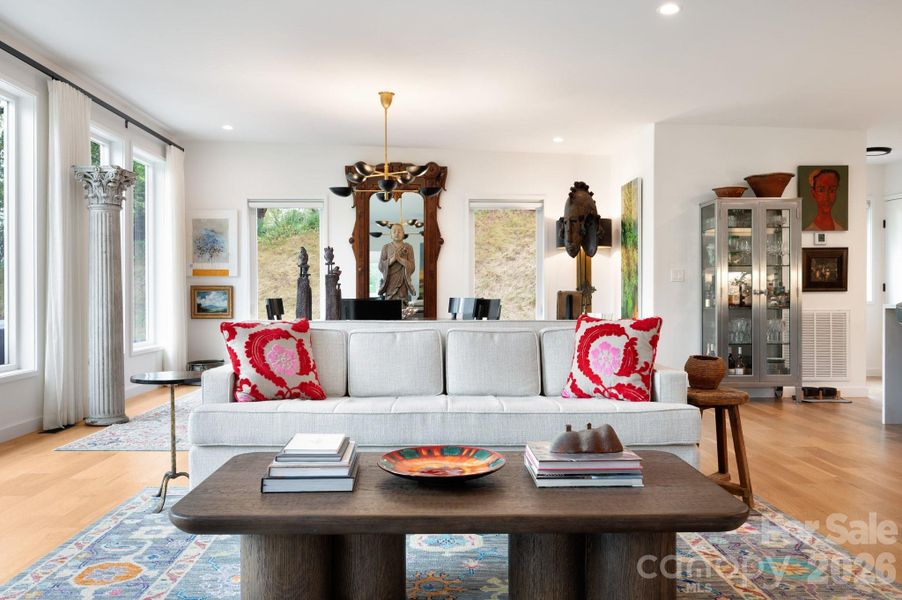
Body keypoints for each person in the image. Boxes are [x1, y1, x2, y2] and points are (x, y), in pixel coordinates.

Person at [378, 223, 416, 305]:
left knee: (402, 303)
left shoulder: (408, 247)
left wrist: (400, 260)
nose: (397, 233)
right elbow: (381, 266)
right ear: (390, 234)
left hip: (403, 280)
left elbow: (412, 266)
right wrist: (392, 260)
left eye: (399, 231)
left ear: (403, 233)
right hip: (390, 281)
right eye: (394, 231)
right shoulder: (386, 247)